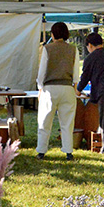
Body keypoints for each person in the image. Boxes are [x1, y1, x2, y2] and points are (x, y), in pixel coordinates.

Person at [36, 22, 80, 161]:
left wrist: (40, 87)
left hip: (50, 89)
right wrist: (74, 87)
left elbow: (42, 71)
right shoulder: (73, 49)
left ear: (53, 34)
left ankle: (41, 151)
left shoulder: (47, 49)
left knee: (44, 121)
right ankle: (68, 152)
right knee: (67, 123)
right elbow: (76, 72)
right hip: (67, 87)